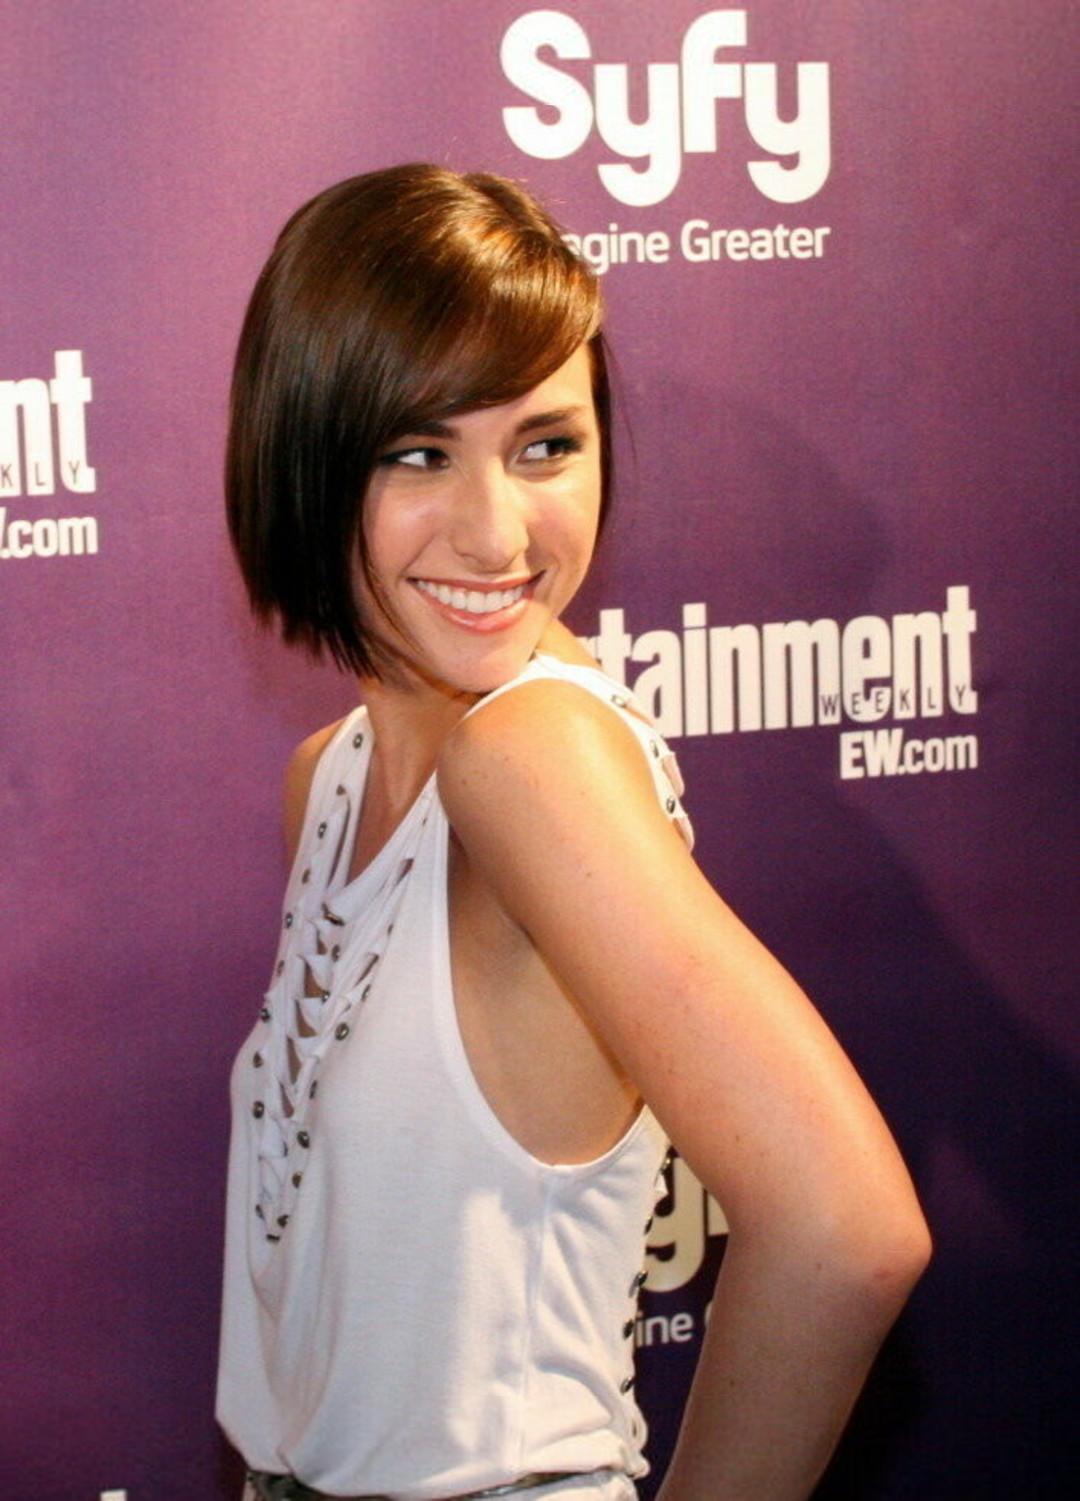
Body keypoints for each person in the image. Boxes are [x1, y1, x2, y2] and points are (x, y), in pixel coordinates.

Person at [217, 164, 930, 1501]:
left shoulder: (533, 759)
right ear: (306, 456)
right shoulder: (333, 774)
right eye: (419, 451)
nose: (498, 533)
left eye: (546, 445)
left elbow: (846, 1232)